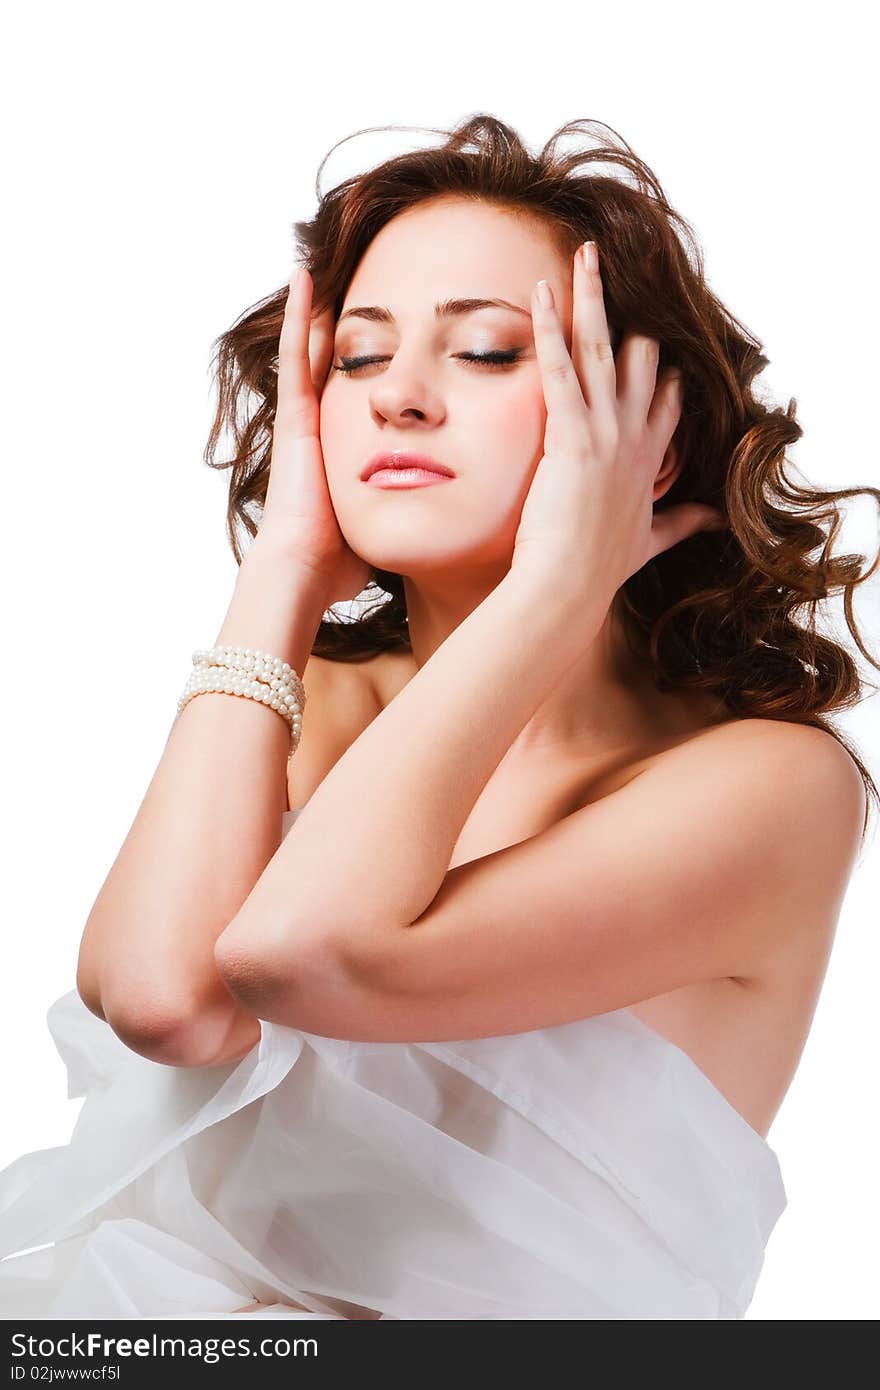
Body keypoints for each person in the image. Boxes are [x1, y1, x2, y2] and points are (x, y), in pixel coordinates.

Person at [0, 114, 877, 1322]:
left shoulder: (770, 787)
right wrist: (281, 571)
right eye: (356, 360)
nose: (399, 399)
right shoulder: (308, 698)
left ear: (650, 442)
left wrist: (558, 591)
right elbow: (164, 1001)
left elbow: (303, 954)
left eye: (485, 351)